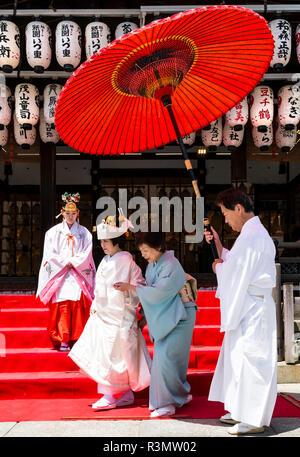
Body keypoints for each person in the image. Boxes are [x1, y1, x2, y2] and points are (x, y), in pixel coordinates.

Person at [204, 188, 277, 435]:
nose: (225, 220)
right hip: (250, 306)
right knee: (238, 360)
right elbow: (237, 264)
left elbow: (236, 273)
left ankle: (253, 418)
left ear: (238, 208)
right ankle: (240, 410)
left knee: (251, 361)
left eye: (225, 214)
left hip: (253, 308)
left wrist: (218, 269)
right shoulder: (251, 234)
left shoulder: (253, 236)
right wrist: (220, 248)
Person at [69, 210, 151, 410]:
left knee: (113, 356)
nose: (103, 245)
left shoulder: (125, 260)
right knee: (106, 354)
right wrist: (96, 305)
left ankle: (110, 395)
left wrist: (129, 293)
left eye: (106, 241)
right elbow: (100, 288)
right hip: (105, 314)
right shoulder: (106, 260)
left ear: (116, 241)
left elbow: (139, 285)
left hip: (119, 315)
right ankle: (125, 393)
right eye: (102, 241)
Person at [114, 231, 197, 418]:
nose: (143, 255)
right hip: (171, 312)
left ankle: (167, 403)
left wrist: (131, 287)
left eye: (145, 250)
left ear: (158, 247)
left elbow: (159, 293)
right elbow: (153, 295)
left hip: (180, 314)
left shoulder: (171, 264)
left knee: (167, 359)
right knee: (169, 359)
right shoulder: (153, 265)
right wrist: (143, 317)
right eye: (141, 250)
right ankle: (179, 395)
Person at [36, 193, 96, 352]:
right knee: (62, 306)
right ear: (62, 213)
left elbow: (87, 253)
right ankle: (63, 340)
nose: (70, 216)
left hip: (77, 273)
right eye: (67, 213)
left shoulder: (84, 233)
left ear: (78, 213)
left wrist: (74, 262)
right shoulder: (53, 232)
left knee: (76, 306)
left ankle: (76, 339)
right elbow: (50, 254)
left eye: (73, 213)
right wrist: (65, 262)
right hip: (61, 273)